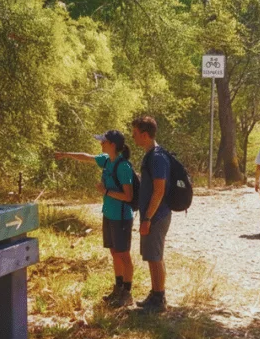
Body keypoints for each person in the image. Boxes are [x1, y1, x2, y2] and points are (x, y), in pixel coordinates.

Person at [54, 130, 135, 307]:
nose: (101, 144)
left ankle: (127, 293)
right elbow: (86, 157)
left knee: (124, 255)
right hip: (109, 214)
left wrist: (105, 191)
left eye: (104, 142)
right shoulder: (106, 161)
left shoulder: (123, 167)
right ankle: (118, 288)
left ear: (112, 145)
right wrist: (66, 154)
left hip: (121, 217)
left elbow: (128, 196)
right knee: (115, 253)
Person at [131, 116, 172, 313]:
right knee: (152, 256)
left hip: (157, 215)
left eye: (135, 133)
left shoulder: (157, 157)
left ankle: (159, 298)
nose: (133, 137)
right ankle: (155, 294)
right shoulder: (151, 155)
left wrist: (147, 218)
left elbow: (159, 190)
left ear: (145, 135)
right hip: (152, 215)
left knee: (155, 256)